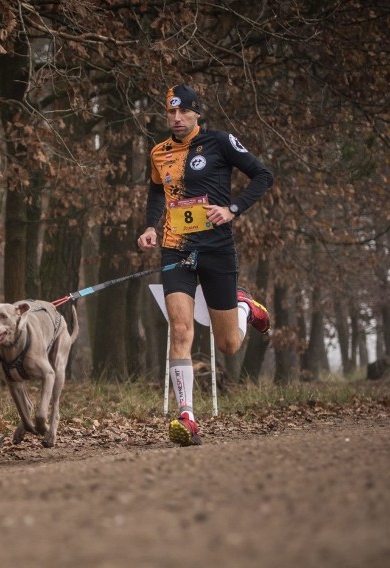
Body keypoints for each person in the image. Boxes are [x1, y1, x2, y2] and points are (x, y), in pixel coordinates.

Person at [137, 84, 273, 447]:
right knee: (181, 330)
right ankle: (187, 416)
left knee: (228, 344)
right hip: (176, 249)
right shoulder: (159, 152)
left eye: (183, 112)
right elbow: (155, 191)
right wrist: (151, 226)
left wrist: (232, 209)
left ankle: (244, 305)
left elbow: (263, 176)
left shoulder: (220, 142)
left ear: (197, 113)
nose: (176, 119)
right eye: (170, 113)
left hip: (216, 250)